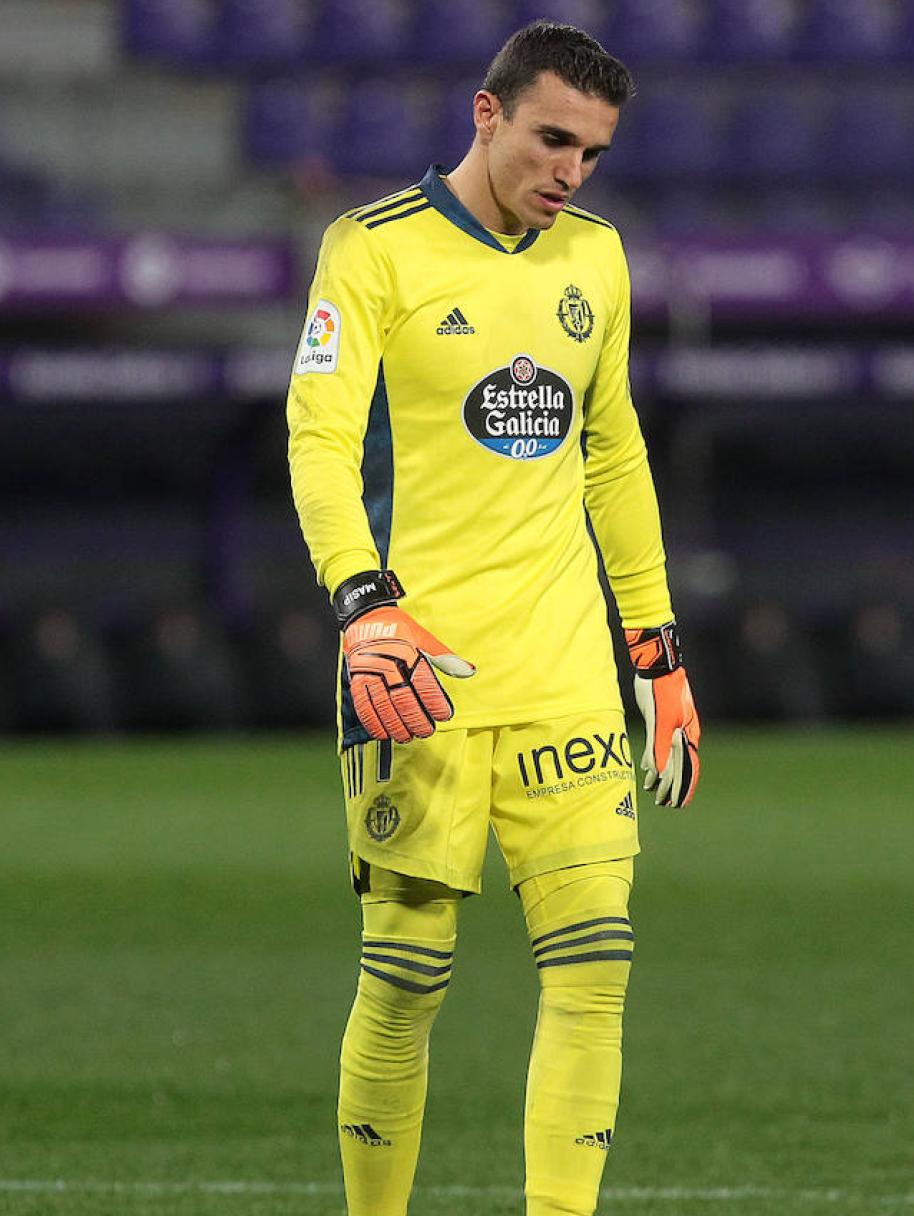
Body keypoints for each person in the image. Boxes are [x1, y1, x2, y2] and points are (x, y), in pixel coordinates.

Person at [284, 22, 702, 1216]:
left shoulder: (598, 260)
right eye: (551, 138)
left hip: (566, 667)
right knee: (407, 975)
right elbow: (318, 439)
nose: (569, 171)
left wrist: (656, 650)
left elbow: (614, 452)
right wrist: (362, 605)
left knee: (596, 967)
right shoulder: (370, 252)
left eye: (593, 152)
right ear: (487, 114)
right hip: (417, 670)